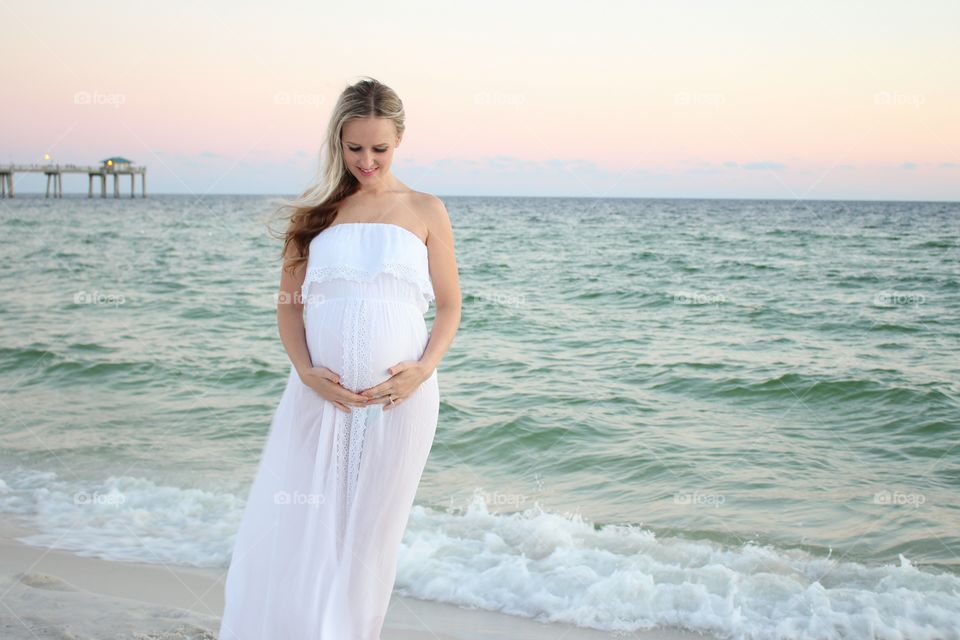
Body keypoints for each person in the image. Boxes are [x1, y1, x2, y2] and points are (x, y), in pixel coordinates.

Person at [218, 76, 461, 639]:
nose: (367, 160)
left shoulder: (426, 209)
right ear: (337, 142)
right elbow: (288, 309)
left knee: (372, 540)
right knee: (300, 526)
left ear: (399, 140)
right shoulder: (316, 217)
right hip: (316, 399)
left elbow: (449, 307)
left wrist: (423, 371)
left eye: (380, 148)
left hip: (399, 403)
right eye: (355, 148)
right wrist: (306, 373)